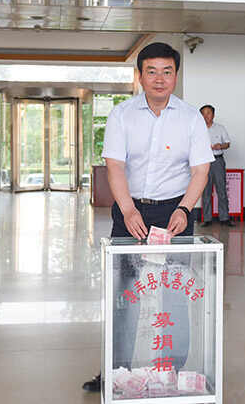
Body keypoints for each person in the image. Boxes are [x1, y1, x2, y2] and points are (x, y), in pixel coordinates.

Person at [82, 42, 213, 392]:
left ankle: (171, 371)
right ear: (140, 76)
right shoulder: (122, 114)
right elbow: (115, 165)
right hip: (131, 210)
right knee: (125, 293)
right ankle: (116, 371)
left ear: (176, 76)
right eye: (151, 71)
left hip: (175, 213)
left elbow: (200, 170)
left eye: (167, 72)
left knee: (174, 291)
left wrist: (185, 208)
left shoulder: (191, 118)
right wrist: (127, 209)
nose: (159, 79)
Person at [200, 104, 233, 227]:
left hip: (217, 160)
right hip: (203, 161)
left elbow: (227, 144)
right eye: (203, 113)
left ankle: (224, 218)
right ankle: (207, 219)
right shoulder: (197, 128)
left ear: (213, 115)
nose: (206, 116)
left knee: (221, 189)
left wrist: (220, 146)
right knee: (205, 191)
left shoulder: (220, 128)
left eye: (208, 113)